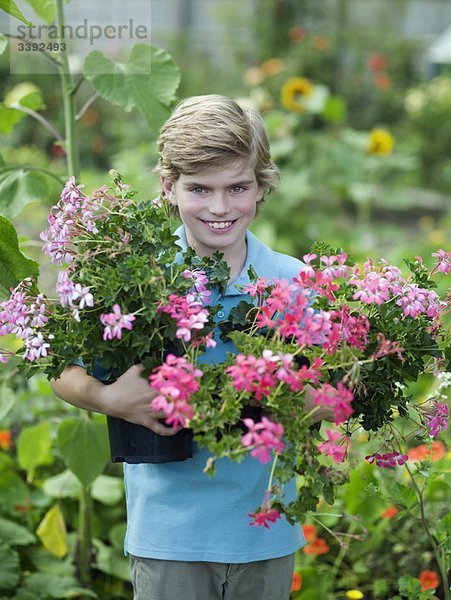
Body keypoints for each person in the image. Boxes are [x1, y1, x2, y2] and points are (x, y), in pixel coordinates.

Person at [51, 94, 330, 600]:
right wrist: (108, 398)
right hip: (168, 535)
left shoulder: (293, 281)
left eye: (238, 187)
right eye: (199, 188)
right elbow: (62, 371)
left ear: (261, 186)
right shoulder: (132, 279)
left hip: (263, 535)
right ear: (168, 186)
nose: (220, 208)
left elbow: (332, 379)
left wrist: (308, 403)